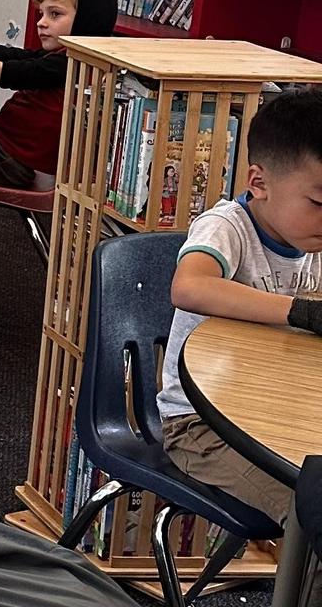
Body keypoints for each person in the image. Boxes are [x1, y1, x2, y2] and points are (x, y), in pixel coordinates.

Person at [157, 88, 322, 558]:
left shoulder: (312, 240)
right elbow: (188, 287)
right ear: (259, 181)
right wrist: (301, 312)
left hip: (282, 415)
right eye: (318, 202)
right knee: (310, 509)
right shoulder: (227, 227)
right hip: (200, 427)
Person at [0, 0, 117, 189]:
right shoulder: (67, 57)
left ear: (87, 18)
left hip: (8, 160)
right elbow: (16, 56)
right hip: (1, 148)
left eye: (55, 14)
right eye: (42, 14)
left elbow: (11, 71)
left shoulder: (70, 63)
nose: (41, 23)